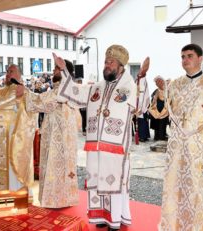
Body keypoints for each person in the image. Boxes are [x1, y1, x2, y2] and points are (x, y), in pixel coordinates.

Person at [56, 45, 149, 231]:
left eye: (111, 62)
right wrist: (65, 71)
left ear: (121, 66)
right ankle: (100, 215)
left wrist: (143, 77)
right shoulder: (97, 87)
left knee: (113, 181)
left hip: (115, 148)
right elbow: (75, 93)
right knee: (97, 179)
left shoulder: (129, 86)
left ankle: (114, 218)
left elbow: (142, 104)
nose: (106, 65)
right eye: (105, 62)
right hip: (95, 147)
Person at [159, 44, 203, 230]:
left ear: (200, 58)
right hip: (176, 147)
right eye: (182, 56)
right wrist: (162, 93)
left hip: (198, 148)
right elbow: (162, 113)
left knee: (196, 191)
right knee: (175, 188)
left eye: (189, 56)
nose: (185, 60)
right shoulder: (175, 84)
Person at [23, 59, 79, 208]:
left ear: (64, 71)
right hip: (61, 134)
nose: (53, 71)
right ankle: (63, 198)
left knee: (55, 166)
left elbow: (41, 102)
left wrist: (24, 92)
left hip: (59, 136)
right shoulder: (67, 88)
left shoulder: (62, 89)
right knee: (58, 167)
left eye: (56, 68)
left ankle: (56, 200)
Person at [149, 75, 169, 141]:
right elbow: (153, 101)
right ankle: (157, 136)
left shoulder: (167, 90)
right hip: (156, 110)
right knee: (157, 124)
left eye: (159, 82)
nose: (157, 84)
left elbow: (168, 99)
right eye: (156, 82)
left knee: (163, 123)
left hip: (164, 110)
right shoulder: (156, 91)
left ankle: (162, 136)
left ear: (162, 82)